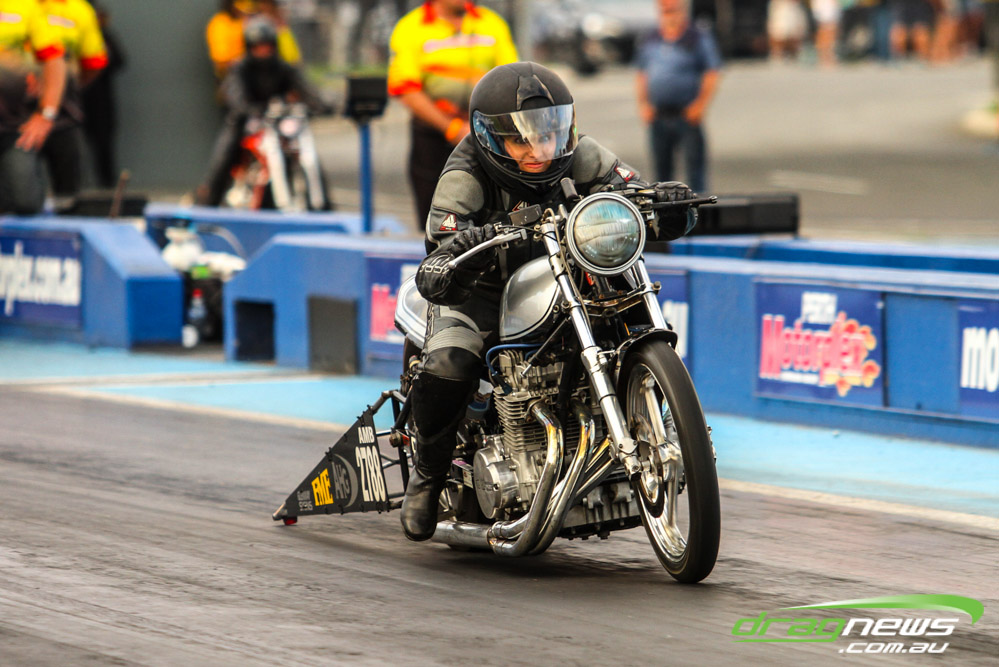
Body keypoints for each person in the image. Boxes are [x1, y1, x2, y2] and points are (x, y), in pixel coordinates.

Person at [398, 61, 699, 542]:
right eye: (521, 140)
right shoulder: (464, 172)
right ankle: (428, 478)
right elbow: (442, 243)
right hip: (479, 292)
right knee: (452, 363)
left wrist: (664, 203)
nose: (539, 150)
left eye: (549, 133)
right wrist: (462, 247)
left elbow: (630, 190)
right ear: (490, 138)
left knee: (619, 316)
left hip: (562, 279)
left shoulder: (578, 153)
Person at [387, 0, 518, 231]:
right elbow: (405, 89)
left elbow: (511, 78)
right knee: (434, 219)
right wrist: (451, 128)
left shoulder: (491, 23)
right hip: (432, 136)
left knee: (493, 215)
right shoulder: (410, 27)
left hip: (485, 131)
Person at [196, 16, 326, 207]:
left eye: (267, 46)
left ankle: (322, 203)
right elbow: (235, 96)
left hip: (277, 121)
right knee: (225, 154)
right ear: (249, 47)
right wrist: (248, 109)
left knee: (304, 149)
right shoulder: (240, 69)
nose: (263, 51)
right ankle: (208, 201)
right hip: (247, 121)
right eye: (258, 47)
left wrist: (320, 105)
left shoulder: (283, 67)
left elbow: (306, 89)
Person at [634, 0, 721, 195]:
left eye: (672, 10)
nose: (669, 16)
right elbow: (642, 73)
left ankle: (698, 208)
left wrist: (700, 105)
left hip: (686, 113)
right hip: (659, 114)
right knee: (661, 174)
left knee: (695, 169)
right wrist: (644, 104)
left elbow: (712, 72)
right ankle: (664, 210)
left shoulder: (696, 37)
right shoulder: (651, 38)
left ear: (682, 10)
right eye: (664, 11)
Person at [37, 0, 108, 213]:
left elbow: (94, 61)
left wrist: (63, 89)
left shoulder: (79, 9)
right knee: (19, 191)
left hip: (64, 113)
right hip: (13, 114)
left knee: (68, 190)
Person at [0, 0, 67, 215]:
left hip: (12, 124)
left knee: (24, 201)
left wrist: (46, 114)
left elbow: (54, 60)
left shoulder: (24, 6)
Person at [81, 2, 125, 190]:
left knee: (103, 143)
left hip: (101, 99)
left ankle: (107, 186)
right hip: (77, 99)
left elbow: (120, 61)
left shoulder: (105, 37)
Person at [206, 0, 300, 82]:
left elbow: (291, 56)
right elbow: (222, 60)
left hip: (270, 74)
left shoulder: (266, 22)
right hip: (236, 77)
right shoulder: (221, 23)